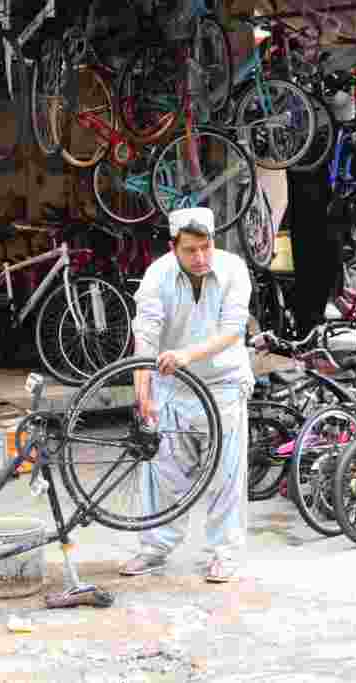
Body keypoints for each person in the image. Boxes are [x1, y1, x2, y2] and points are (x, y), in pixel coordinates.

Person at [121, 207, 254, 582]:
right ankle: (154, 547)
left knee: (226, 475)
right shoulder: (157, 276)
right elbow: (145, 339)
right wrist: (142, 393)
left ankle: (224, 553)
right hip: (172, 388)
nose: (200, 258)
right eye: (190, 250)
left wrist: (185, 356)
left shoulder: (233, 270)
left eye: (206, 248)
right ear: (173, 247)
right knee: (161, 472)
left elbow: (232, 331)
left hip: (223, 384)